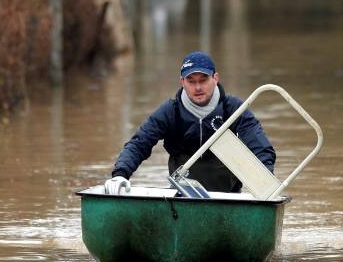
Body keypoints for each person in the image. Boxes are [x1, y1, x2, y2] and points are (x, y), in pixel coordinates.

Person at [104, 51, 276, 194]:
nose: (198, 87)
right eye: (191, 81)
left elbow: (261, 148)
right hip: (182, 195)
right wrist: (120, 174)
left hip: (228, 197)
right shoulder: (170, 111)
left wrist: (266, 184)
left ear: (215, 78)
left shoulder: (234, 108)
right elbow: (139, 144)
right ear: (182, 82)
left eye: (203, 80)